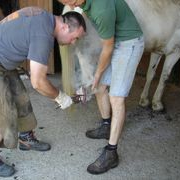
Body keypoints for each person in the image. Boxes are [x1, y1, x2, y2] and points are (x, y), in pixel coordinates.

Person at [0, 6, 86, 177]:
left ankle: (25, 139)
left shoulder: (44, 17)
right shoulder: (44, 34)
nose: (73, 42)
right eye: (75, 38)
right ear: (65, 27)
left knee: (20, 97)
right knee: (6, 109)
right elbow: (38, 82)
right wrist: (61, 97)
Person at [58, 0, 144, 174]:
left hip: (129, 44)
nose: (70, 4)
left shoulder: (101, 8)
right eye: (65, 2)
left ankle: (111, 153)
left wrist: (96, 75)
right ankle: (106, 125)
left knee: (116, 98)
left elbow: (108, 47)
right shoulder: (83, 4)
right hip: (115, 43)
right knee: (99, 88)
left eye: (69, 0)